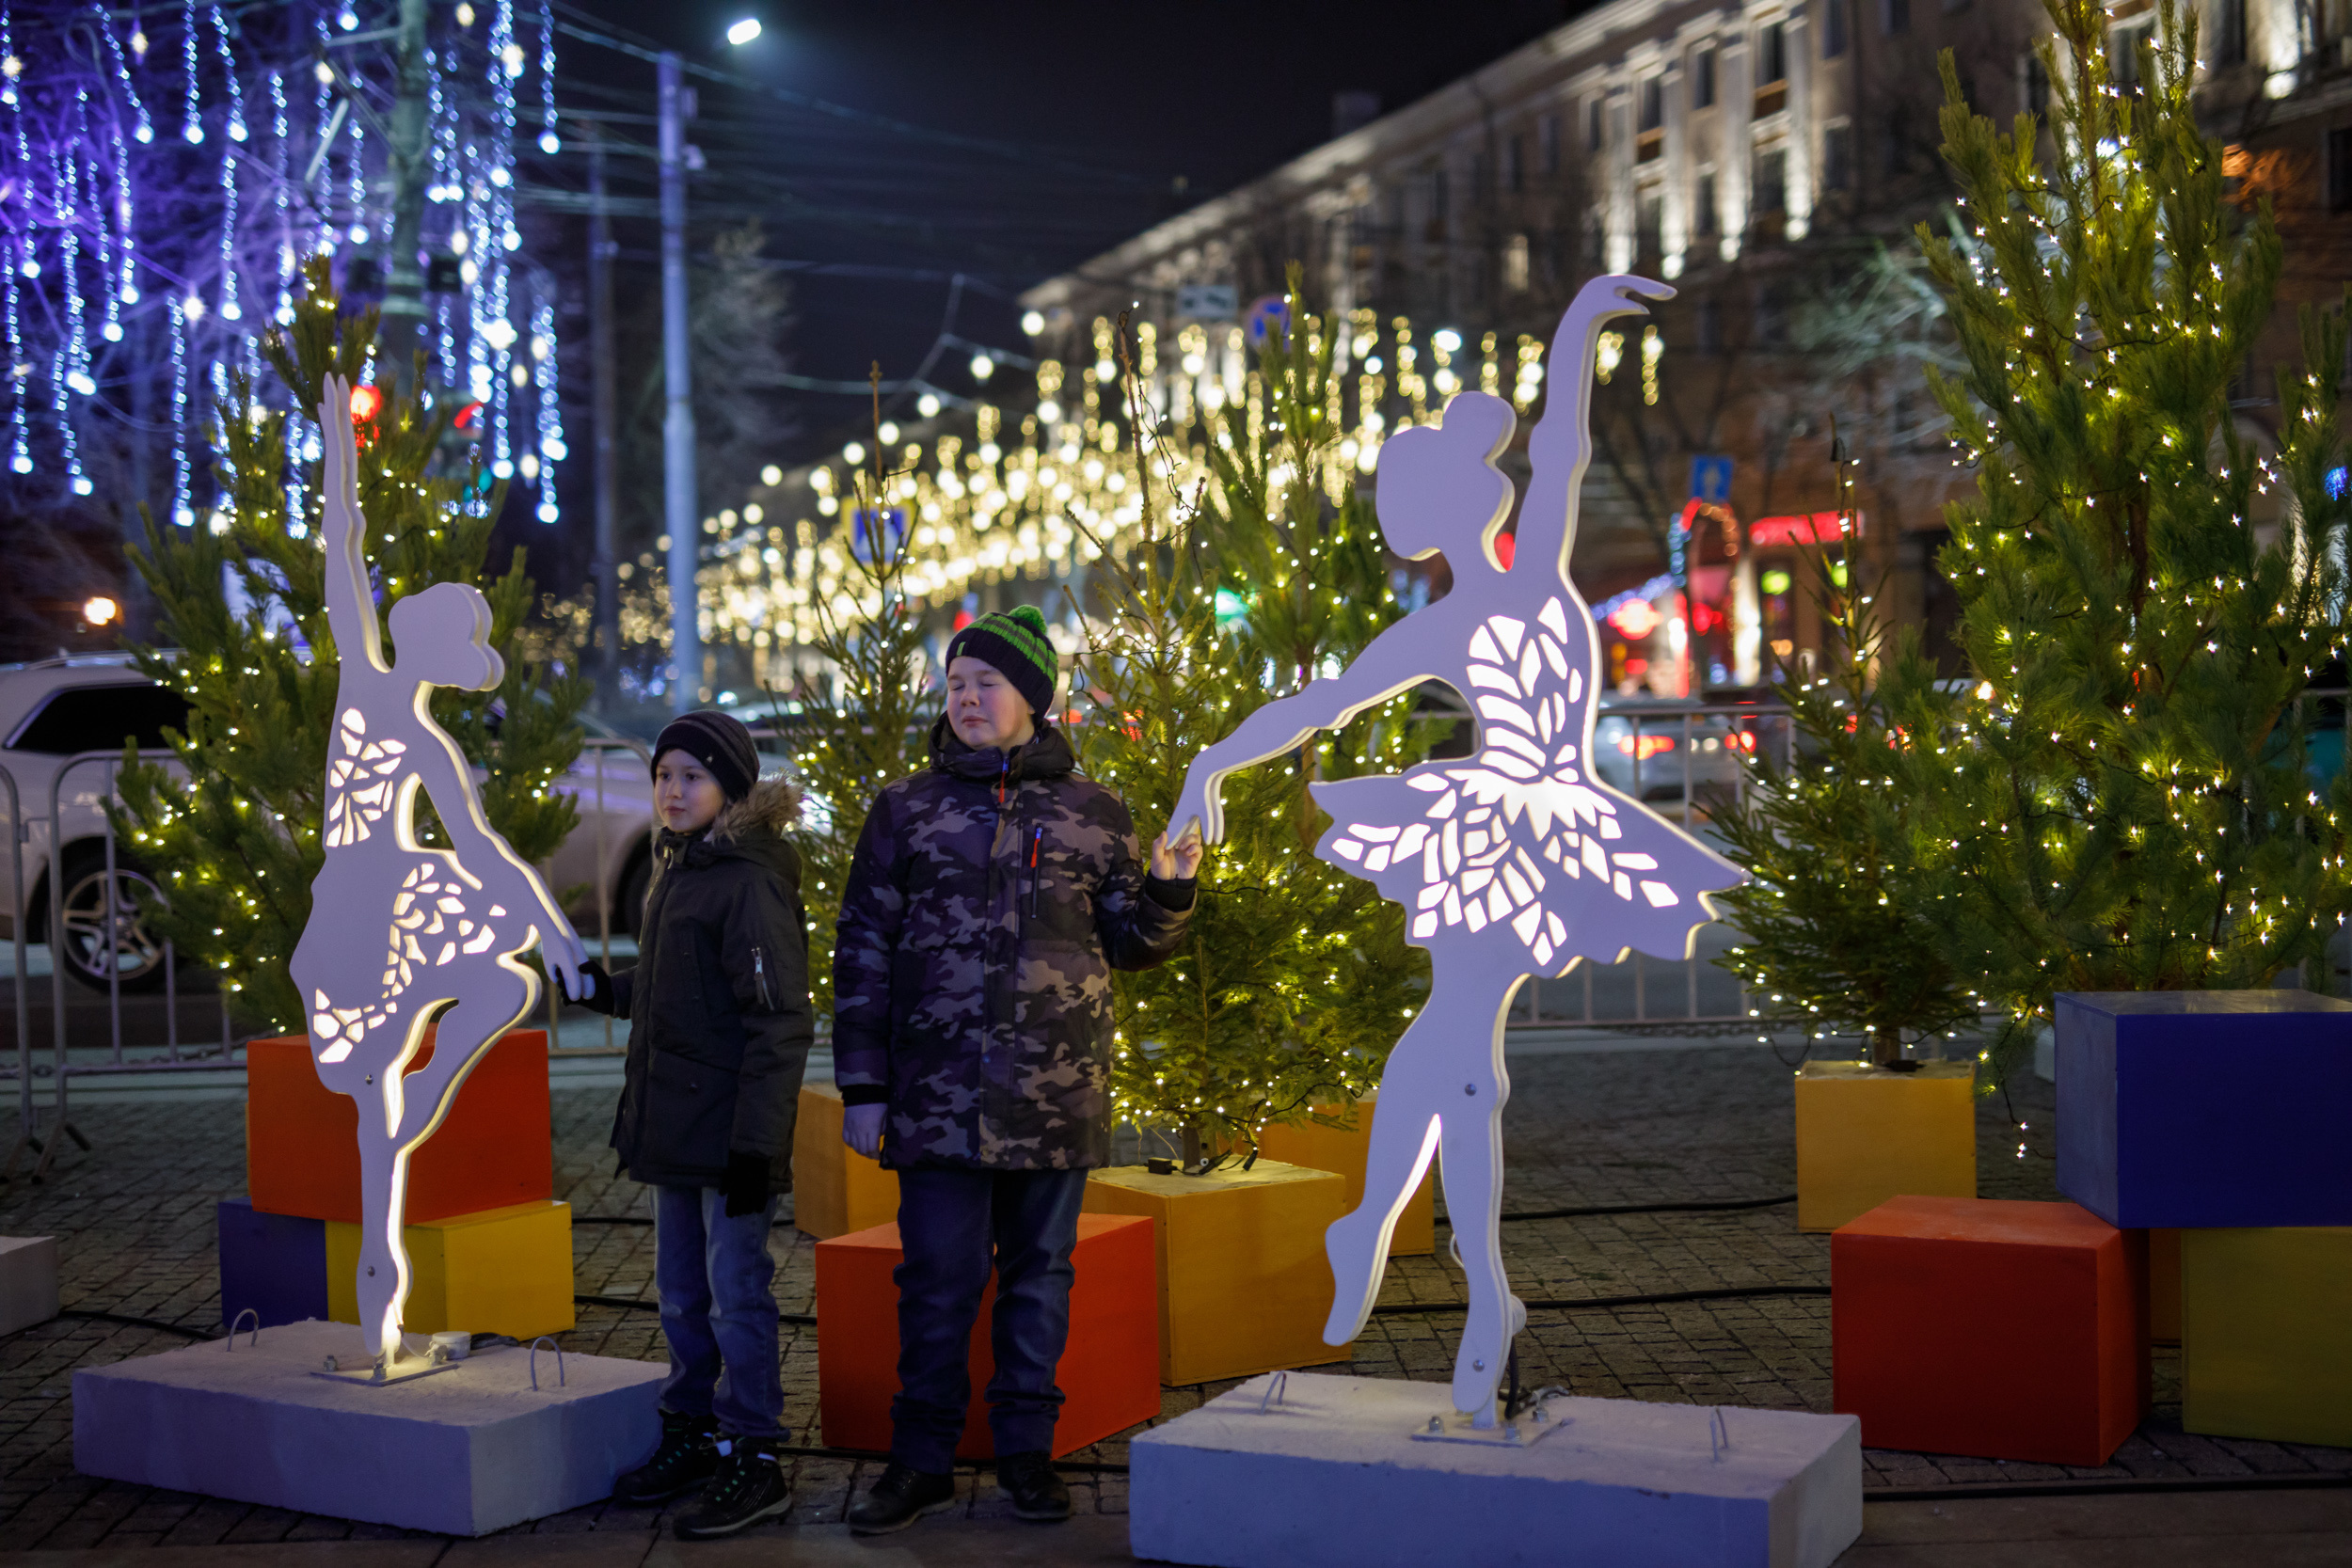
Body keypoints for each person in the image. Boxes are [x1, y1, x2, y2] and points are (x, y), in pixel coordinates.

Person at [1171, 276, 1740, 1428]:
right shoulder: (1434, 623)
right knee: (1469, 1060)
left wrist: (1579, 326)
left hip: (1553, 815)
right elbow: (1317, 705)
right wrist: (1210, 763)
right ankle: (1481, 1294)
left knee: (1455, 1045)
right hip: (1492, 831)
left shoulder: (1528, 573)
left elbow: (1565, 448)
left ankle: (1383, 1231)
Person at [832, 605, 1201, 1534]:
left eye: (984, 682)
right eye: (955, 682)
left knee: (1039, 1276)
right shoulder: (904, 809)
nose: (965, 697)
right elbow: (862, 947)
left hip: (1054, 1095)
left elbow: (1129, 944)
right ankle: (918, 1460)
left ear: (1032, 699)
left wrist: (1166, 887)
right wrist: (865, 1086)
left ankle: (1027, 1457)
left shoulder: (1095, 811)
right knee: (935, 1280)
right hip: (934, 1098)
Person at [566, 710, 813, 1539]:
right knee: (680, 1295)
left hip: (730, 1137)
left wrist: (757, 1148)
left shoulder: (747, 879)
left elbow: (777, 1022)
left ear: (730, 789)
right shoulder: (682, 868)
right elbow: (678, 985)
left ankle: (753, 1452)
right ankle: (694, 1430)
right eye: (664, 775)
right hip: (674, 1126)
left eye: (692, 776)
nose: (673, 790)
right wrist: (608, 989)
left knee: (737, 1295)